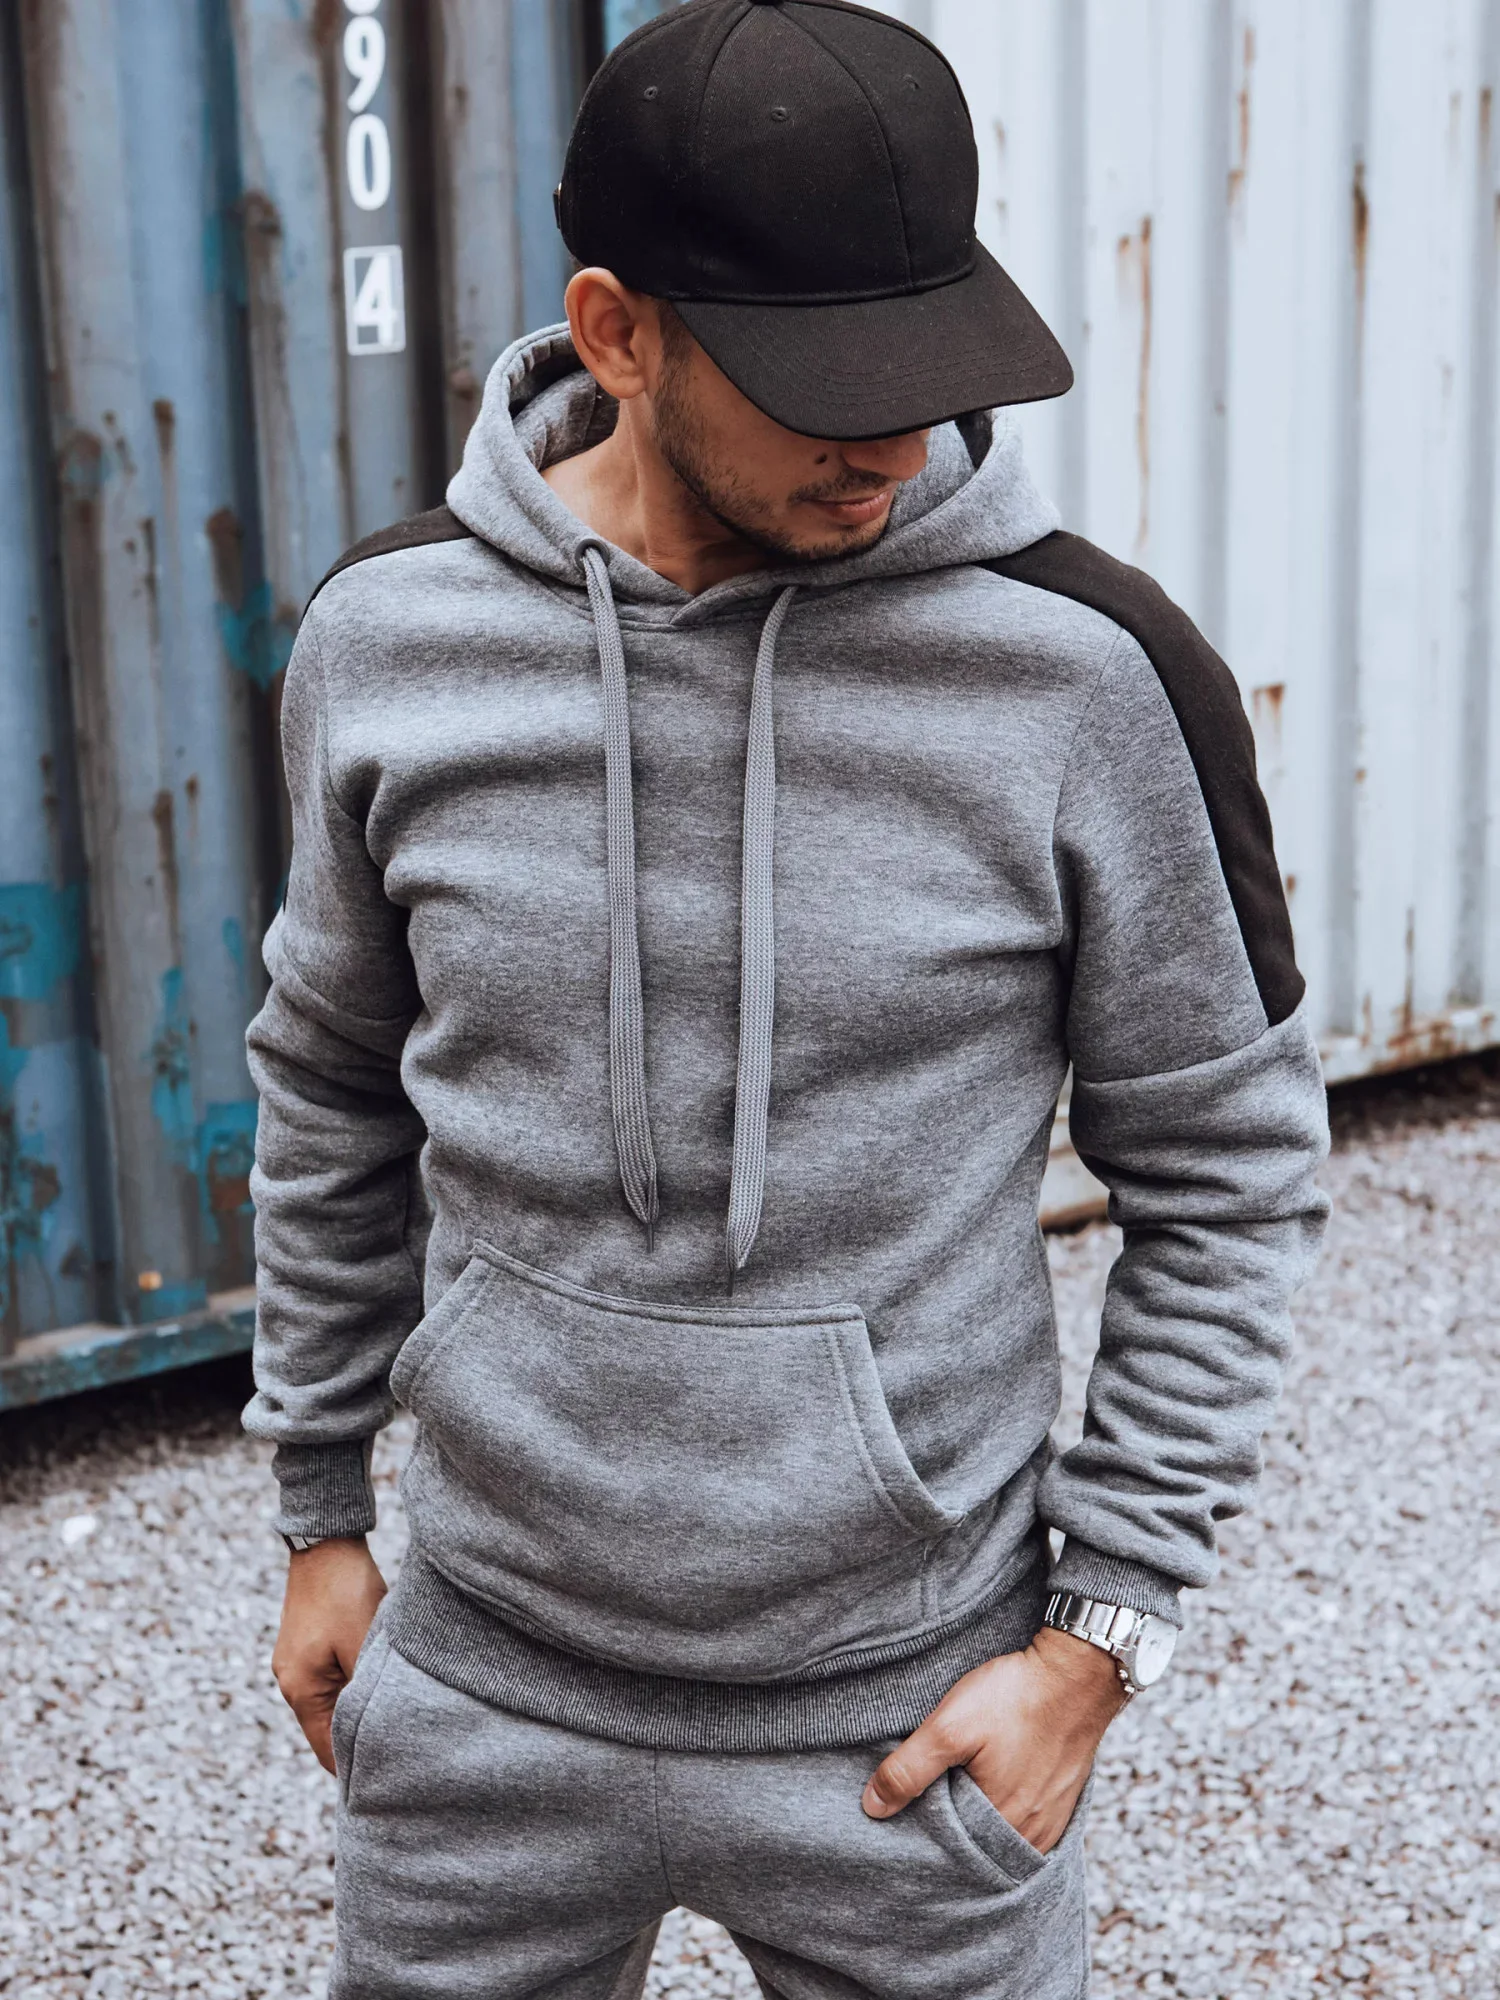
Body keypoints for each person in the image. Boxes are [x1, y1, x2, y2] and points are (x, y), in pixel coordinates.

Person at [244, 2, 1330, 1994]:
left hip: (909, 1723)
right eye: (828, 385)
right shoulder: (389, 644)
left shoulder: (1087, 676)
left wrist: (1098, 1644)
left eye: (928, 370)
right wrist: (320, 1507)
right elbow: (328, 1086)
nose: (894, 444)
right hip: (482, 1693)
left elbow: (1234, 1170)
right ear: (618, 330)